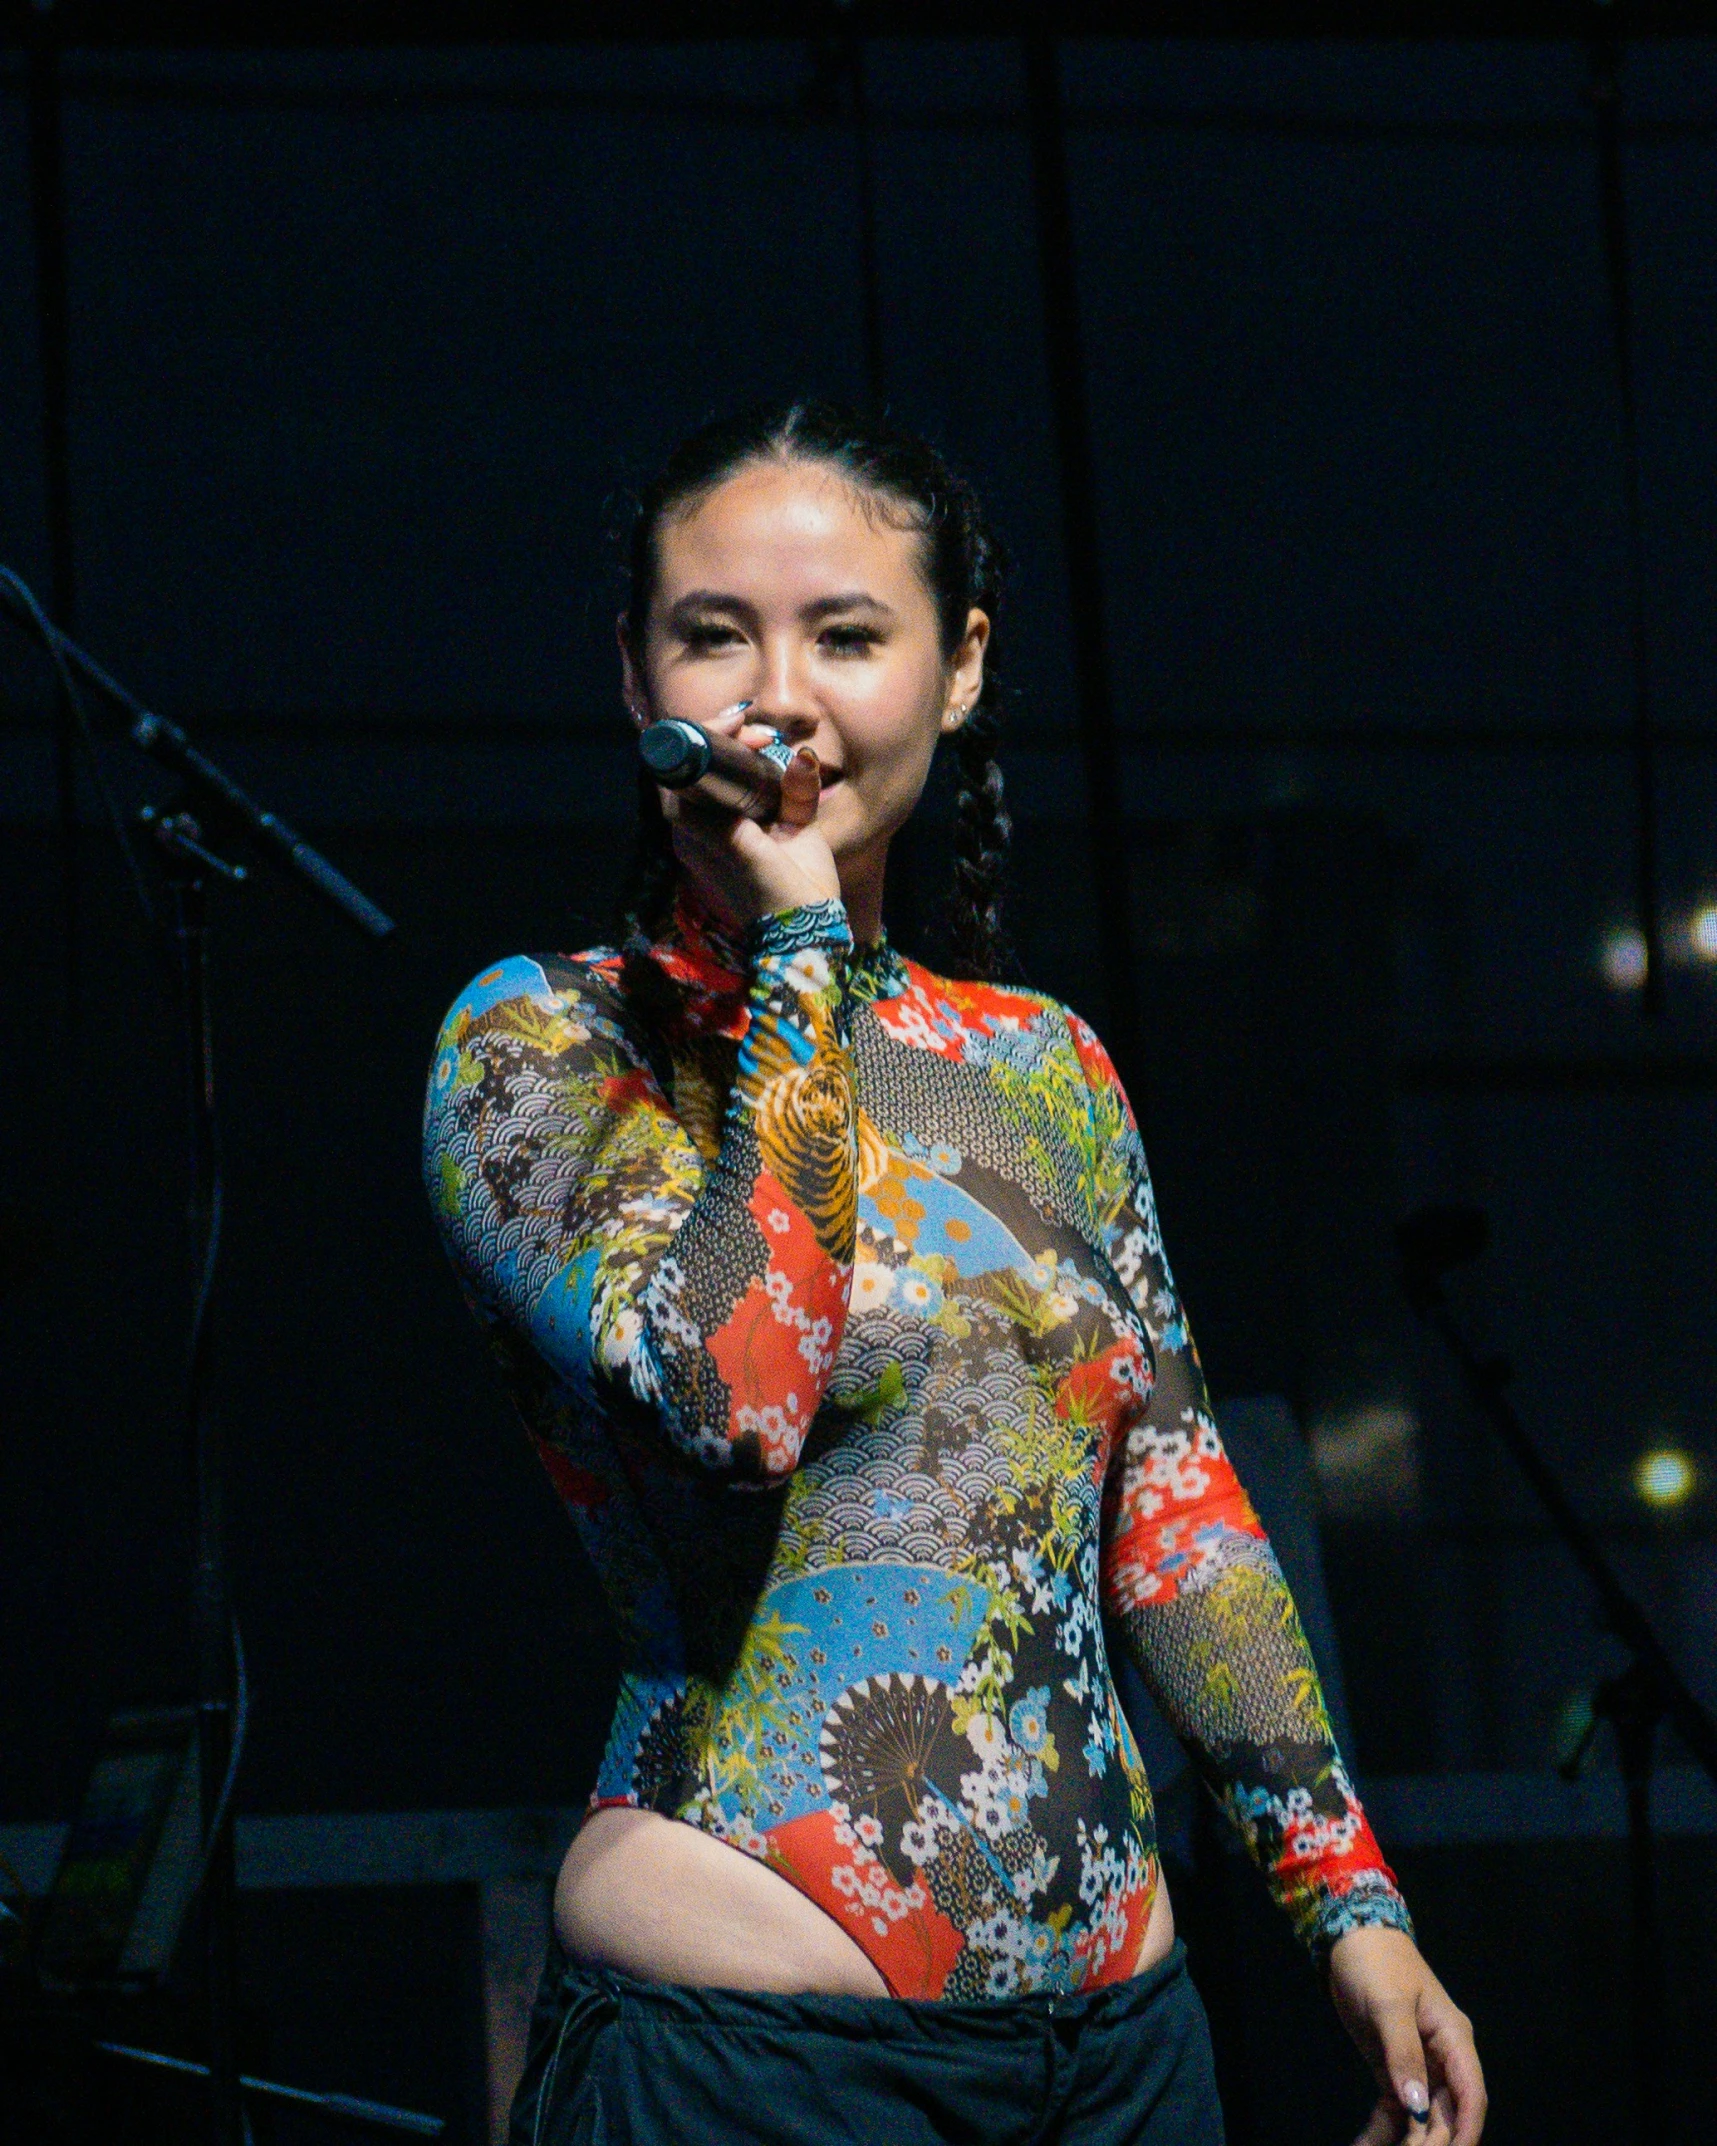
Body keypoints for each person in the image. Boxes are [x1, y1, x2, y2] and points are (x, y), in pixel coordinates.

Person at [423, 402, 1485, 2146]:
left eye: (847, 635)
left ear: (961, 667)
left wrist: (1348, 1900)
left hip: (1126, 2054)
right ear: (636, 678)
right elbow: (736, 1392)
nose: (783, 693)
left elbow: (1173, 1502)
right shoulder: (537, 1041)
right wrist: (797, 953)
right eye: (716, 632)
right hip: (750, 2057)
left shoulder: (1043, 1069)